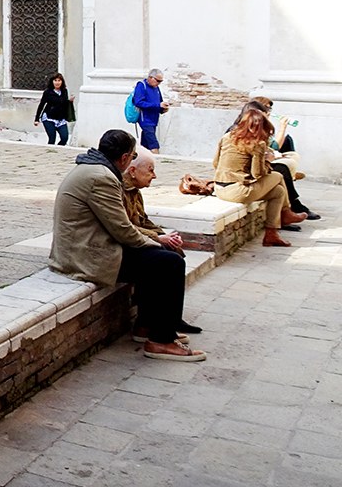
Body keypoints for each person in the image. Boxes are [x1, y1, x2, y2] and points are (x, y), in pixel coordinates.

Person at [49, 129, 204, 361]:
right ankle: (160, 340)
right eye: (132, 157)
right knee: (167, 262)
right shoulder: (102, 178)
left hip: (87, 246)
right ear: (124, 158)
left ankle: (146, 326)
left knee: (158, 258)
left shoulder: (93, 169)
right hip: (85, 256)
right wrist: (156, 244)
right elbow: (123, 229)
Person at [122, 151, 203, 339]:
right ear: (132, 170)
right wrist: (158, 239)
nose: (154, 175)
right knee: (167, 261)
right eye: (150, 171)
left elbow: (144, 221)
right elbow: (126, 226)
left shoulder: (135, 191)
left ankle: (159, 322)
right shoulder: (119, 190)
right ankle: (161, 335)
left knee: (172, 252)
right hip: (120, 248)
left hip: (134, 242)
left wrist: (164, 235)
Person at [213, 108, 307, 246]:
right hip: (238, 191)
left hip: (220, 188)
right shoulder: (257, 143)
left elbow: (215, 163)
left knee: (278, 192)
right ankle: (286, 213)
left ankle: (272, 234)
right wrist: (268, 159)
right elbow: (258, 173)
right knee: (278, 175)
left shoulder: (226, 137)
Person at [251, 97, 320, 220]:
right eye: (266, 109)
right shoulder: (246, 132)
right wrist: (268, 159)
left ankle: (279, 222)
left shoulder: (253, 129)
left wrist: (270, 156)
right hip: (240, 183)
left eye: (269, 109)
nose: (269, 112)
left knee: (279, 187)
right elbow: (257, 167)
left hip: (248, 172)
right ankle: (292, 207)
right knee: (280, 172)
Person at [131, 69, 170, 153]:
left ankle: (142, 160)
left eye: (161, 81)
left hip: (154, 119)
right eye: (158, 81)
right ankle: (158, 161)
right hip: (144, 119)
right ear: (150, 77)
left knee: (145, 144)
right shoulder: (141, 85)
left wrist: (163, 109)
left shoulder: (156, 88)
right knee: (153, 143)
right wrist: (158, 105)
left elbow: (159, 102)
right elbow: (138, 102)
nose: (159, 83)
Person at [34, 72, 74, 146]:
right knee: (52, 138)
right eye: (55, 80)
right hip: (49, 117)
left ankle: (58, 150)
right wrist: (36, 119)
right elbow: (41, 105)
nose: (57, 82)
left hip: (60, 118)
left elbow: (63, 103)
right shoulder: (47, 92)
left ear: (62, 82)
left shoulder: (64, 91)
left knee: (64, 138)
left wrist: (70, 101)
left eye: (59, 80)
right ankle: (49, 152)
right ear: (52, 82)